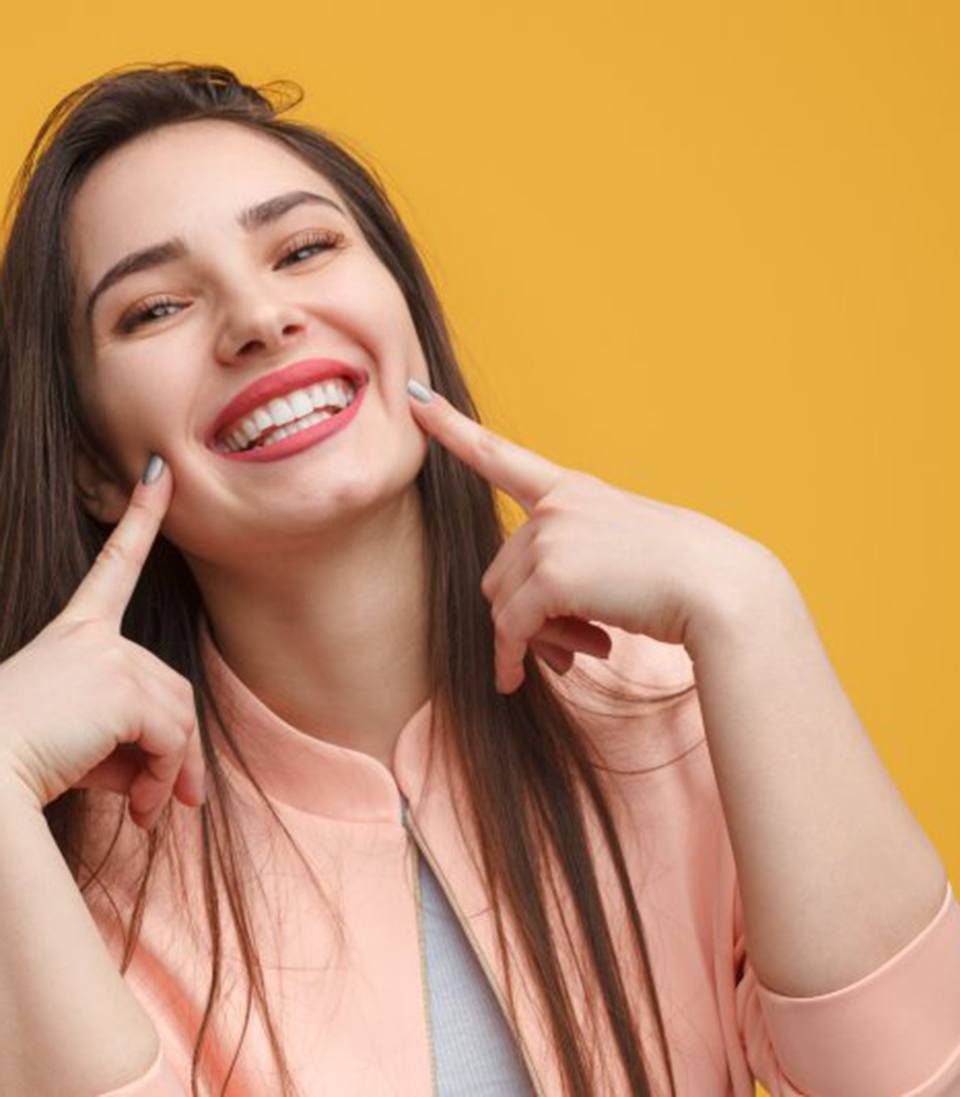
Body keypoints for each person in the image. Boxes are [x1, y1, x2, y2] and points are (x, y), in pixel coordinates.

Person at [0, 61, 957, 1097]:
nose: (259, 317)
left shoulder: (676, 710)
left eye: (305, 248)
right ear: (92, 461)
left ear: (405, 310)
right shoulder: (55, 859)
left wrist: (752, 604)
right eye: (155, 308)